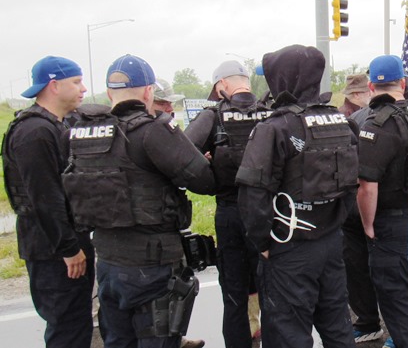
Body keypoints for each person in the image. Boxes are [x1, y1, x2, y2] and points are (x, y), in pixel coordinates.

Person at [61, 54, 215, 348]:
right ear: (148, 91)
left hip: (107, 262)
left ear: (108, 93)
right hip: (152, 266)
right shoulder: (151, 130)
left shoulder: (79, 133)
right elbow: (204, 180)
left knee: (118, 341)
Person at [236, 44, 357, 348]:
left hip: (289, 249)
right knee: (338, 328)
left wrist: (262, 242)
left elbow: (253, 192)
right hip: (330, 242)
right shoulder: (342, 122)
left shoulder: (274, 128)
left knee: (287, 335)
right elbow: (354, 183)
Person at [1, 56, 94, 348]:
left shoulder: (59, 124)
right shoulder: (34, 132)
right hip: (52, 249)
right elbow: (44, 198)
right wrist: (69, 249)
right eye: (76, 82)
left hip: (66, 242)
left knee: (77, 322)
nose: (83, 89)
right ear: (53, 86)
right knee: (67, 328)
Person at [184, 60, 271, 348]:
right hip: (269, 213)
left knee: (233, 294)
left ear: (221, 86)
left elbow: (181, 154)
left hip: (230, 212)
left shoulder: (213, 117)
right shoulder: (270, 113)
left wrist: (207, 171)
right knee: (273, 292)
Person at [356, 55, 408, 348]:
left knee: (397, 300)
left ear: (370, 87)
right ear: (403, 82)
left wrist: (367, 225)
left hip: (391, 226)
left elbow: (367, 186)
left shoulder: (376, 124)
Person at [149, 77, 205, 348]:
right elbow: (197, 176)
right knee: (163, 301)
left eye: (170, 102)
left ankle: (175, 337)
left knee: (174, 295)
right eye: (162, 102)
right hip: (151, 235)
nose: (169, 107)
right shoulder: (154, 132)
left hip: (165, 225)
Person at [339, 74, 383, 343]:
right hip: (369, 202)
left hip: (356, 202)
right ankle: (371, 322)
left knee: (359, 267)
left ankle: (368, 321)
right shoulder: (354, 119)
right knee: (374, 267)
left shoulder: (352, 118)